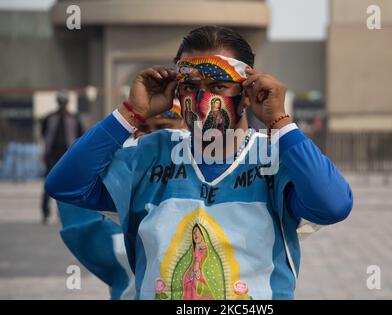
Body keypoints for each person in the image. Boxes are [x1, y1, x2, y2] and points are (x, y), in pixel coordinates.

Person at [46, 25, 353, 300]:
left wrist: (281, 122)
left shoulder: (275, 158)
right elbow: (66, 185)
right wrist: (129, 113)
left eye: (218, 87)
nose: (202, 100)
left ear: (247, 94)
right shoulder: (149, 155)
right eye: (190, 87)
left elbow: (333, 204)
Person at [57, 104, 184, 300]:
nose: (150, 137)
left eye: (162, 127)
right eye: (143, 129)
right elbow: (65, 183)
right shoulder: (126, 177)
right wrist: (122, 116)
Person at [41, 90, 83, 224]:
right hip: (51, 156)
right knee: (48, 184)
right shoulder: (49, 117)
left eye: (64, 101)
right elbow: (44, 134)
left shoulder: (74, 118)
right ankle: (45, 213)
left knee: (65, 185)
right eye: (61, 101)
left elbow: (80, 136)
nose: (62, 104)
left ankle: (63, 213)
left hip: (67, 156)